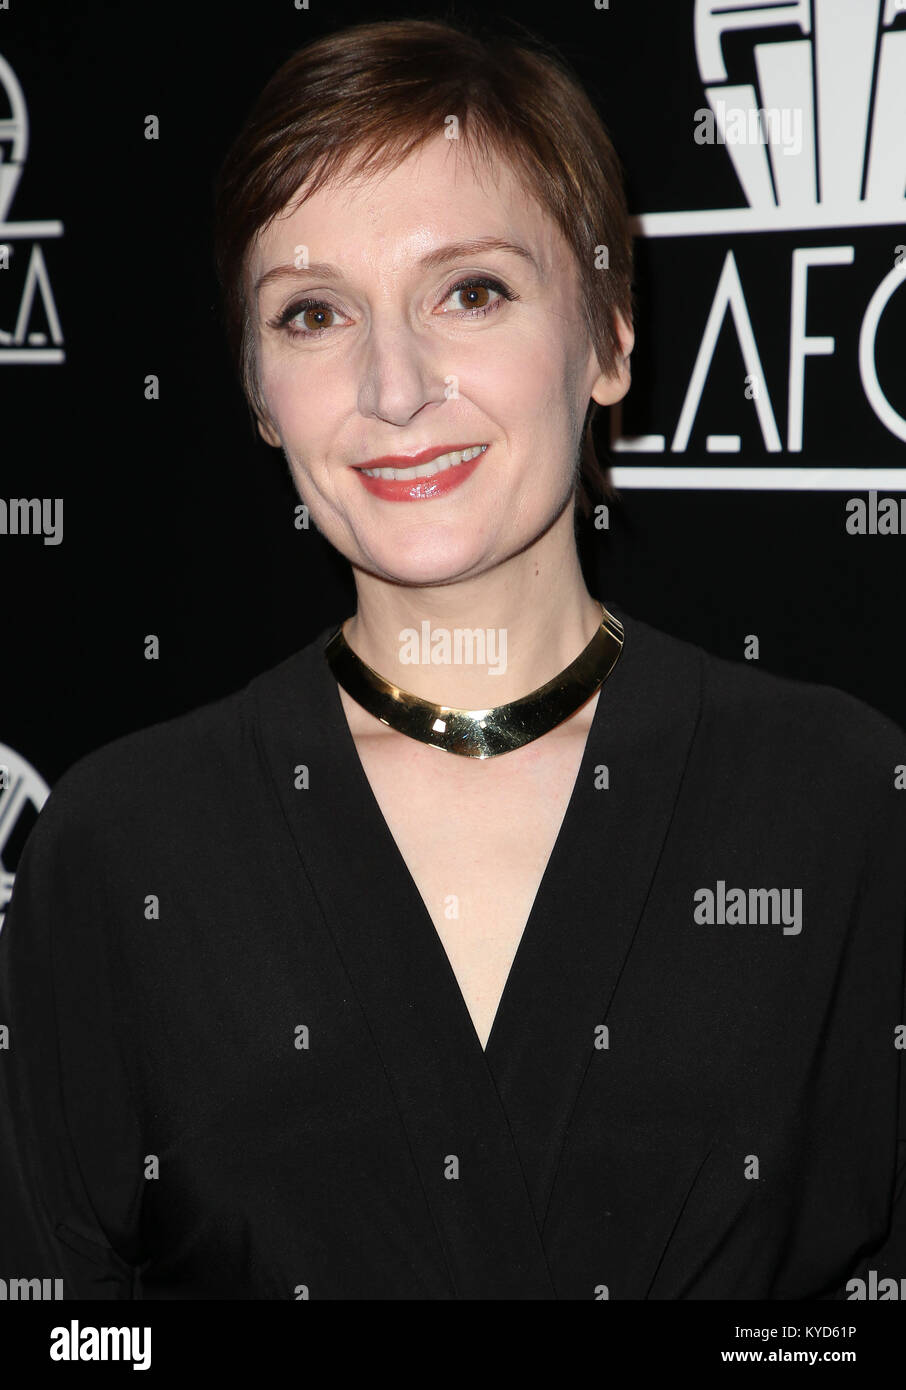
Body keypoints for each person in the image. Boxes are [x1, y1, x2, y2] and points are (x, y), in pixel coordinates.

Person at [1, 17, 904, 1301]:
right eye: (314, 314)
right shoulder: (122, 844)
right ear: (261, 393)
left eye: (470, 291)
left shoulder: (845, 803)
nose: (395, 383)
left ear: (608, 338)